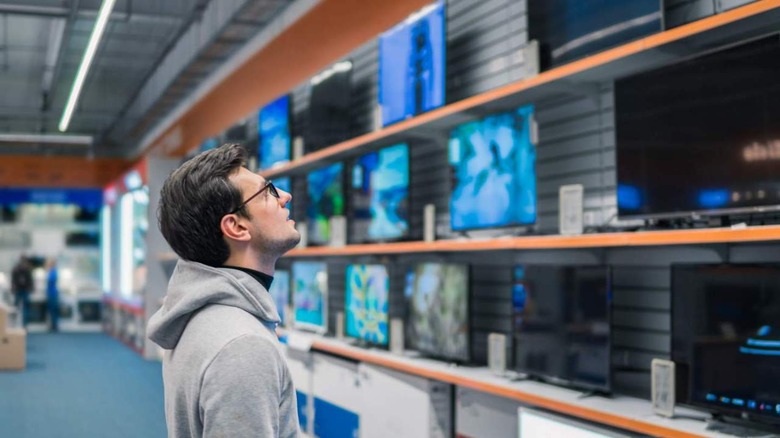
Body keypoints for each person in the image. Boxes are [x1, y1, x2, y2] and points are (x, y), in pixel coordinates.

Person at [147, 143, 301, 437]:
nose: (284, 196)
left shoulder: (200, 316)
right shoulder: (242, 345)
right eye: (267, 191)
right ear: (237, 227)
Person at [11, 255, 33, 327]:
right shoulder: (27, 269)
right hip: (25, 290)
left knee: (16, 308)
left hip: (18, 290)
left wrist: (13, 289)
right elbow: (30, 280)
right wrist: (31, 288)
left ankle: (13, 323)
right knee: (25, 308)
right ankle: (25, 325)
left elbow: (13, 280)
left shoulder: (16, 268)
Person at [45, 258, 60, 332]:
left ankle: (54, 326)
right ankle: (53, 325)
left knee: (53, 310)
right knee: (52, 310)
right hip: (51, 293)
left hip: (52, 293)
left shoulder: (53, 272)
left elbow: (50, 281)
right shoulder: (52, 272)